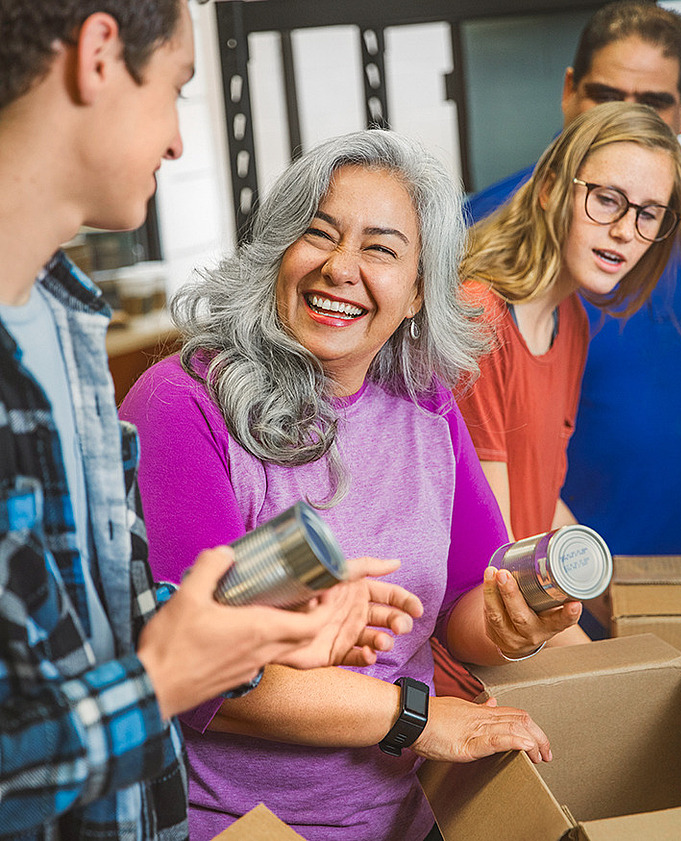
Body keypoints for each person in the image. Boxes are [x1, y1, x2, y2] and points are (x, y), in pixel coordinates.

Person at [0, 2, 427, 838]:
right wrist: (166, 677)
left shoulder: (63, 317)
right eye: (176, 90)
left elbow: (85, 624)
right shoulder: (172, 393)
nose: (178, 142)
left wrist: (246, 633)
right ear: (98, 54)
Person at [119, 129, 573, 841]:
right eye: (318, 234)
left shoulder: (426, 402)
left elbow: (462, 601)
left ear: (421, 288)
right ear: (276, 249)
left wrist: (515, 624)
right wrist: (418, 718)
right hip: (235, 823)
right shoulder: (181, 405)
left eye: (381, 249)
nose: (339, 268)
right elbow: (200, 675)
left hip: (400, 813)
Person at [468, 0, 681, 557]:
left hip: (604, 581)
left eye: (647, 213)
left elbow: (539, 500)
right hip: (515, 616)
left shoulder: (570, 314)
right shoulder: (482, 304)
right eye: (605, 199)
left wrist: (609, 600)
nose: (623, 231)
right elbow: (500, 551)